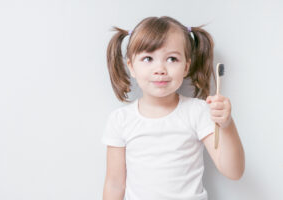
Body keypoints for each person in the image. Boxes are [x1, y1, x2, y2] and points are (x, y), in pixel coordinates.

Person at [101, 16, 245, 200]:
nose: (160, 68)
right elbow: (114, 184)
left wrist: (227, 125)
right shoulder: (120, 120)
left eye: (171, 59)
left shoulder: (198, 112)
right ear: (131, 67)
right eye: (147, 58)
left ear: (186, 67)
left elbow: (234, 171)